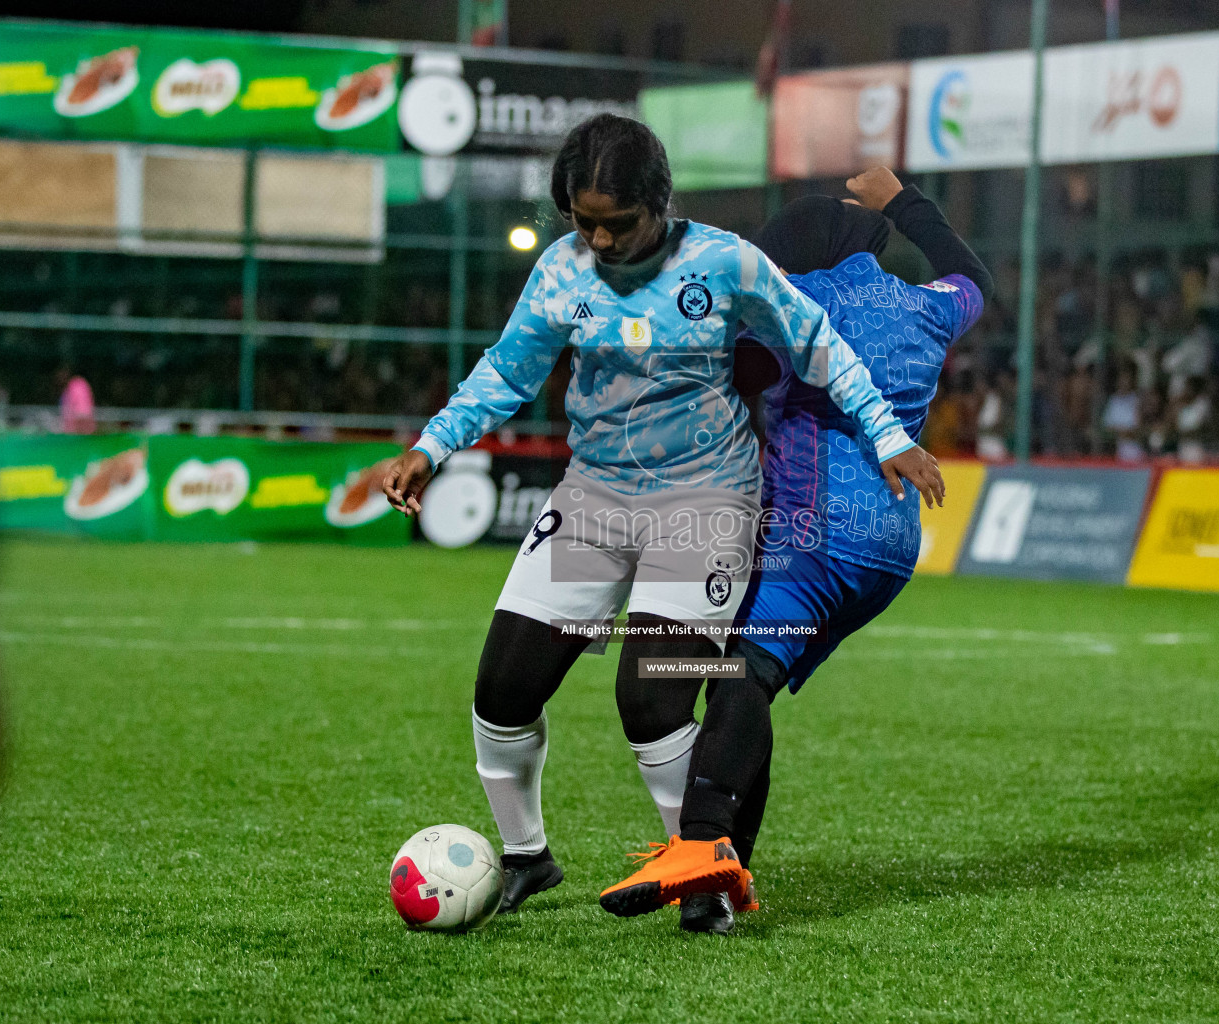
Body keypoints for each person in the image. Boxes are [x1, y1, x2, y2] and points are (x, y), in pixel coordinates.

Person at [378, 117, 943, 914]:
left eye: (619, 221)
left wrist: (888, 435)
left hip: (705, 499)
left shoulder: (725, 262)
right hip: (595, 497)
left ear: (659, 202)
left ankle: (704, 877)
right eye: (585, 222)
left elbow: (820, 346)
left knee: (652, 696)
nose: (601, 239)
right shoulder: (559, 273)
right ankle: (526, 856)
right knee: (503, 690)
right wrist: (430, 448)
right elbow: (505, 374)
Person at [598, 165, 991, 933]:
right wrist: (905, 205)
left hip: (811, 525)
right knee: (750, 675)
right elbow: (972, 275)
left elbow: (716, 365)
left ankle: (707, 845)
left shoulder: (794, 308)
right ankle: (712, 881)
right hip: (894, 540)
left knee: (734, 673)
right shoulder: (924, 306)